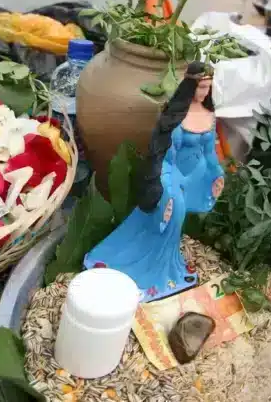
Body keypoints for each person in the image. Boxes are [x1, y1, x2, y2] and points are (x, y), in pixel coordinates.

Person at [84, 63, 223, 300]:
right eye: (201, 87)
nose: (205, 92)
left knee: (176, 222)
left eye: (208, 87)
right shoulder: (175, 116)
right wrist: (166, 183)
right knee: (171, 214)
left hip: (194, 175)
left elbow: (209, 152)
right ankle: (149, 270)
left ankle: (167, 267)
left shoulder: (209, 115)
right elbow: (164, 155)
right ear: (190, 86)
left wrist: (217, 173)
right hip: (170, 172)